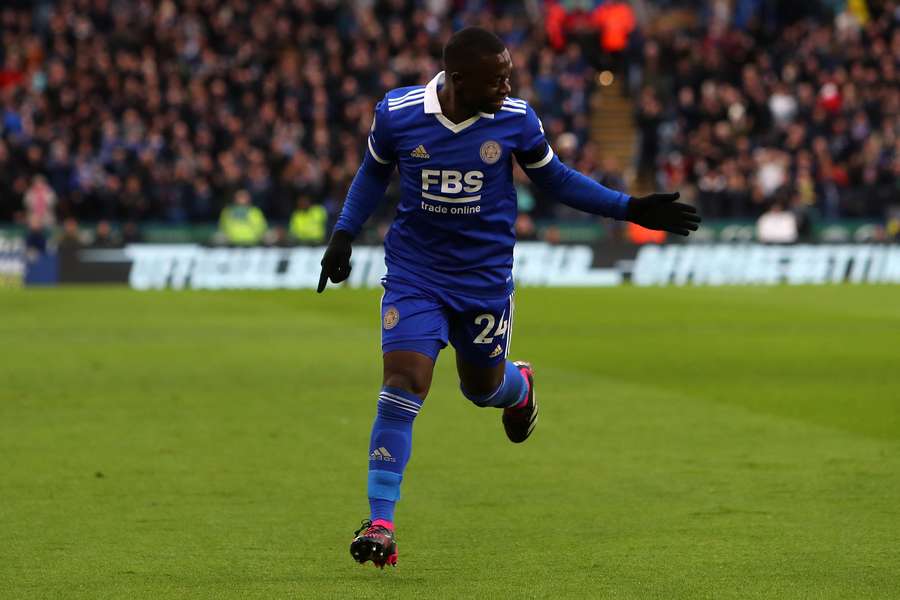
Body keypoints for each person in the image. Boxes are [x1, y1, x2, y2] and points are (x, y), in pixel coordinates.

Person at [317, 27, 700, 569]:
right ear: (457, 79)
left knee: (482, 389)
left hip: (483, 278)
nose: (507, 85)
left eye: (508, 75)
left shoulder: (516, 119)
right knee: (403, 383)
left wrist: (630, 208)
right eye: (496, 78)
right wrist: (343, 233)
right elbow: (372, 173)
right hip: (415, 272)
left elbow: (558, 181)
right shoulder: (398, 113)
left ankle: (518, 388)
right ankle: (381, 524)